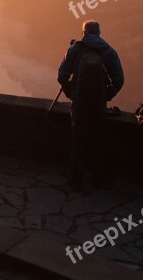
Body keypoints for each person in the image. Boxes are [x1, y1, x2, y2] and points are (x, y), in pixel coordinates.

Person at [58, 20, 124, 190]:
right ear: (99, 33)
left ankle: (76, 179)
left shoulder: (75, 49)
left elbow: (62, 74)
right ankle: (96, 177)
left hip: (79, 103)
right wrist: (106, 96)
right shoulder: (108, 51)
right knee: (97, 140)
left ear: (84, 33)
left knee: (78, 140)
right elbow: (119, 79)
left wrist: (71, 93)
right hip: (98, 104)